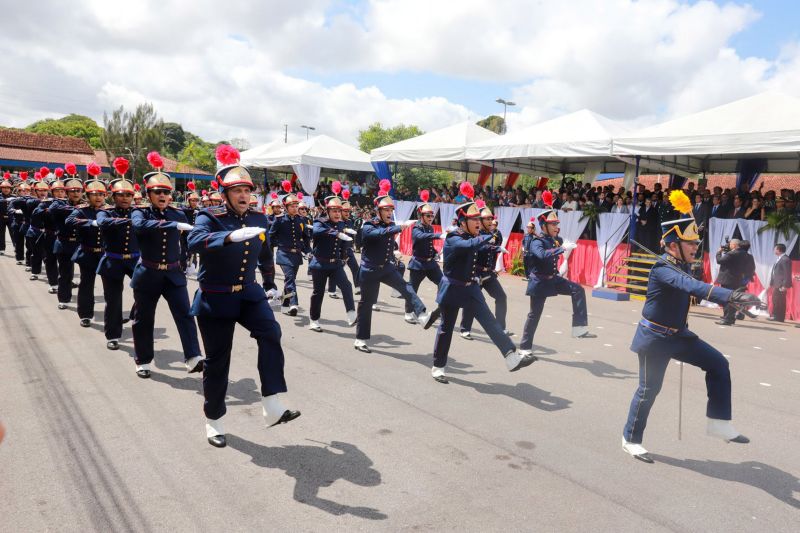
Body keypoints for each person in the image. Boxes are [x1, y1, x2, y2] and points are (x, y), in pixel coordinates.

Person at [621, 212, 761, 464]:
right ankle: (630, 439)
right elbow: (692, 287)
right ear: (673, 245)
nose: (697, 247)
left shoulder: (680, 265)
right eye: (691, 243)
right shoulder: (663, 269)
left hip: (679, 336)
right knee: (648, 390)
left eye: (696, 243)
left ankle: (718, 423)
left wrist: (730, 298)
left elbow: (690, 286)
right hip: (654, 338)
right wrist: (732, 296)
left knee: (718, 364)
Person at [188, 145, 299, 449]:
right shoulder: (208, 217)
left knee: (271, 332)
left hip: (249, 294)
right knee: (217, 362)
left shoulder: (260, 219)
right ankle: (214, 421)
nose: (242, 195)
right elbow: (194, 241)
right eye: (235, 190)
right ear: (223, 194)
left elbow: (264, 255)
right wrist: (226, 237)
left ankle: (272, 402)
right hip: (216, 298)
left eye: (246, 190)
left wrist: (269, 283)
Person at [427, 182, 534, 384]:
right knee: (446, 328)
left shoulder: (476, 236)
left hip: (471, 287)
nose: (478, 222)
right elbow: (467, 246)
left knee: (490, 321)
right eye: (473, 219)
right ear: (462, 221)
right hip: (452, 288)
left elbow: (480, 247)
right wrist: (488, 238)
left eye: (479, 219)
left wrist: (494, 247)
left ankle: (511, 356)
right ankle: (438, 366)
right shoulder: (453, 237)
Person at [130, 152, 203, 379]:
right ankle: (143, 360)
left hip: (173, 273)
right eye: (158, 192)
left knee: (185, 314)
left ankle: (193, 357)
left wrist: (189, 259)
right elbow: (140, 227)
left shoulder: (178, 212)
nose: (163, 195)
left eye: (166, 192)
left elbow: (185, 241)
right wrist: (172, 224)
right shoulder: (139, 212)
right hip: (148, 273)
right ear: (148, 194)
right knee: (144, 318)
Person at [353, 181, 429, 353]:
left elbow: (387, 242)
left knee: (406, 287)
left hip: (386, 268)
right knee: (366, 303)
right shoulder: (369, 225)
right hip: (369, 270)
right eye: (386, 210)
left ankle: (422, 314)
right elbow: (376, 235)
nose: (389, 213)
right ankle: (360, 339)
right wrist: (396, 228)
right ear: (378, 211)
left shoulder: (389, 226)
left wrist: (394, 252)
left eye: (391, 210)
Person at [519, 192, 594, 357]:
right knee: (534, 315)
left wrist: (568, 244)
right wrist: (562, 248)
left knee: (578, 290)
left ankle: (579, 327)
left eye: (556, 224)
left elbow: (562, 242)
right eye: (552, 224)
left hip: (553, 279)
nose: (556, 227)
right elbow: (542, 255)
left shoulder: (555, 238)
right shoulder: (536, 241)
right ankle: (525, 347)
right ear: (543, 226)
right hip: (539, 282)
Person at [96, 174, 139, 350]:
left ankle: (136, 322)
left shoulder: (139, 211)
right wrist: (128, 221)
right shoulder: (105, 212)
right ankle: (113, 335)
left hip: (135, 260)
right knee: (113, 299)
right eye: (121, 195)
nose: (125, 198)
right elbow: (102, 222)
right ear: (113, 197)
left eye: (128, 195)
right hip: (113, 260)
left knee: (144, 294)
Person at [460, 203, 512, 339]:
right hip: (475, 272)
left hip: (488, 273)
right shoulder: (475, 234)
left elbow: (491, 254)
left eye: (491, 218)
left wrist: (494, 268)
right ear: (480, 221)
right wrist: (495, 248)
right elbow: (480, 247)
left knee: (501, 297)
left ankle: (501, 327)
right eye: (487, 219)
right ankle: (465, 328)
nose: (490, 221)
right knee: (472, 300)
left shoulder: (493, 233)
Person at [308, 194, 357, 332]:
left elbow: (342, 245)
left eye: (339, 211)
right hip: (320, 264)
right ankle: (314, 319)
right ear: (328, 211)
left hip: (335, 264)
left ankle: (351, 313)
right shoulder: (320, 221)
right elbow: (316, 231)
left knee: (346, 286)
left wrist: (345, 254)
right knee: (318, 292)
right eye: (334, 211)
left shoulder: (342, 224)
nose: (337, 214)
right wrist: (335, 233)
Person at [65, 175, 107, 328]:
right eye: (94, 194)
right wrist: (91, 223)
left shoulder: (109, 210)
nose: (98, 197)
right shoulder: (81, 210)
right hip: (87, 253)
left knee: (111, 288)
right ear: (88, 196)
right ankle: (85, 314)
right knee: (86, 285)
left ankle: (112, 316)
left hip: (105, 254)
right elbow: (69, 222)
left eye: (101, 194)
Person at [268, 180, 310, 316]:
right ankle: (294, 303)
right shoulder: (279, 220)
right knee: (290, 278)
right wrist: (275, 246)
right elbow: (271, 236)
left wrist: (307, 251)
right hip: (284, 254)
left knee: (289, 281)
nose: (295, 208)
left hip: (296, 255)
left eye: (296, 205)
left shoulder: (301, 220)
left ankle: (285, 304)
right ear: (285, 207)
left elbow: (305, 237)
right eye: (291, 206)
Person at [404, 190, 446, 324]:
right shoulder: (416, 227)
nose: (430, 217)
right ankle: (408, 312)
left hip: (430, 264)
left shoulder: (430, 228)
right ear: (421, 216)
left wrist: (434, 252)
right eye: (428, 215)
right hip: (418, 264)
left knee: (443, 283)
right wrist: (438, 235)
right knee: (412, 288)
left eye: (432, 215)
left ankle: (440, 309)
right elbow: (420, 237)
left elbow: (428, 244)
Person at [50, 169, 84, 309]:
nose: (75, 193)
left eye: (78, 190)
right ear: (67, 192)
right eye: (72, 191)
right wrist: (81, 210)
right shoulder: (59, 204)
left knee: (86, 277)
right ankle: (64, 298)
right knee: (65, 274)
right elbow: (53, 210)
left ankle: (85, 304)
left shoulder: (87, 204)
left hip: (82, 244)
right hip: (64, 244)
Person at [714, 239, 752, 326]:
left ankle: (728, 319)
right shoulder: (746, 254)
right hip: (737, 279)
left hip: (728, 279)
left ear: (734, 245)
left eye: (730, 244)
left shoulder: (732, 253)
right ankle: (729, 317)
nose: (729, 246)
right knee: (732, 300)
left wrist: (718, 252)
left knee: (727, 299)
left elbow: (719, 261)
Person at [768, 243, 793, 322]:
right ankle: (777, 316)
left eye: (775, 249)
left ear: (778, 250)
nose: (774, 250)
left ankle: (778, 317)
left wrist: (785, 285)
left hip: (781, 284)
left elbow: (787, 273)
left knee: (779, 301)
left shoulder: (785, 259)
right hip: (777, 283)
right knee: (776, 300)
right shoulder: (780, 258)